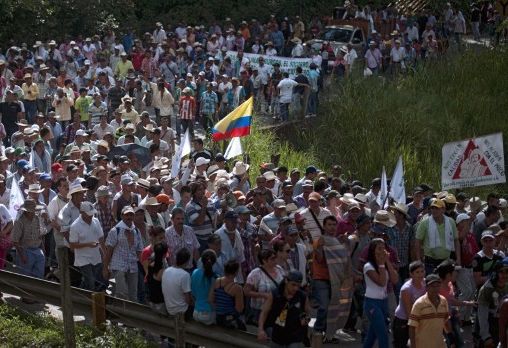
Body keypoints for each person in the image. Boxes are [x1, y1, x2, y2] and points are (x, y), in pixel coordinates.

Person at [257, 270, 311, 348]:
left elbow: (308, 313)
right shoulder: (275, 295)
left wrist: (305, 320)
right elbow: (264, 312)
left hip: (295, 335)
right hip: (278, 334)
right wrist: (260, 329)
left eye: (298, 286)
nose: (296, 288)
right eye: (293, 285)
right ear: (286, 281)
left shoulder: (302, 296)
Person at [363, 238, 399, 348]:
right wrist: (381, 264)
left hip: (384, 302)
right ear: (373, 250)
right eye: (379, 248)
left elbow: (395, 280)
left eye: (384, 248)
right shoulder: (368, 266)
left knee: (372, 335)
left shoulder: (384, 264)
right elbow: (382, 282)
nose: (382, 251)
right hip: (372, 303)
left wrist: (387, 261)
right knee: (383, 334)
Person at [103, 206, 143, 302]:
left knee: (133, 293)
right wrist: (105, 268)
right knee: (122, 292)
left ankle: (130, 314)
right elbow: (109, 251)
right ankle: (121, 313)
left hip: (132, 266)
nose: (129, 217)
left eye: (131, 215)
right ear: (122, 216)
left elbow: (139, 250)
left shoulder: (136, 231)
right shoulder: (115, 231)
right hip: (119, 265)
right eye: (127, 215)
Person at [415, 198, 461, 275]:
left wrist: (458, 259)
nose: (434, 210)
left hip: (446, 261)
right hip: (430, 263)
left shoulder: (451, 222)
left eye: (437, 208)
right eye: (432, 208)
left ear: (443, 210)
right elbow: (417, 241)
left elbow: (456, 240)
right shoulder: (424, 223)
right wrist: (419, 260)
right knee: (433, 284)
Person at [68, 201, 105, 291]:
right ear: (81, 213)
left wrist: (104, 255)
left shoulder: (96, 221)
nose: (91, 216)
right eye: (89, 214)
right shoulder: (75, 226)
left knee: (99, 281)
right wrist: (88, 244)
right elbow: (72, 245)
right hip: (83, 259)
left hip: (96, 256)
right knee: (90, 282)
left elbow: (101, 239)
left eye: (92, 214)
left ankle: (79, 295)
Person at [408, 274, 452, 348]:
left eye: (437, 286)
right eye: (432, 286)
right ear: (426, 288)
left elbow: (446, 321)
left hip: (440, 345)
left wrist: (451, 339)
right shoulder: (419, 304)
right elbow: (412, 327)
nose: (435, 289)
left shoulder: (444, 301)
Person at [244, 249, 285, 325]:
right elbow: (246, 291)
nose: (275, 260)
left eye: (275, 257)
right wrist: (263, 295)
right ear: (264, 261)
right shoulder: (255, 273)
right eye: (272, 259)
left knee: (278, 330)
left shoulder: (279, 269)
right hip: (260, 309)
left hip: (277, 308)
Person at [474, 257, 508, 348]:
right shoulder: (487, 289)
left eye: (507, 272)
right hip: (487, 325)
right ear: (496, 273)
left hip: (501, 323)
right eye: (502, 272)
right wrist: (486, 337)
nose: (505, 275)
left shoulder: (506, 285)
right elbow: (482, 315)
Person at [393, 261, 426, 348]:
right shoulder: (406, 289)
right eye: (417, 272)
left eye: (422, 271)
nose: (420, 274)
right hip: (403, 321)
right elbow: (409, 313)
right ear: (411, 274)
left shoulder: (425, 283)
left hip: (417, 319)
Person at [11, 200, 46, 280]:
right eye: (31, 211)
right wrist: (22, 256)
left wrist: (43, 249)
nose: (34, 212)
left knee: (39, 276)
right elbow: (15, 241)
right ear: (26, 211)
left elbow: (41, 235)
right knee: (25, 277)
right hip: (25, 250)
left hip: (37, 249)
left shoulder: (37, 218)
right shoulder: (19, 221)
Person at [210, 259, 246, 330]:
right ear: (236, 272)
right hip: (230, 320)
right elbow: (239, 309)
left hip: (218, 317)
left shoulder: (217, 281)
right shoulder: (237, 288)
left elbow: (211, 299)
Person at [162, 247, 192, 318]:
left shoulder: (166, 271)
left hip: (169, 309)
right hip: (182, 311)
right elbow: (188, 300)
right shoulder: (185, 275)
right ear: (187, 261)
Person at [191, 249, 217, 325]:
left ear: (201, 260)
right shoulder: (215, 277)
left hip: (196, 311)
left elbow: (193, 293)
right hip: (209, 313)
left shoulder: (195, 272)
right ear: (214, 262)